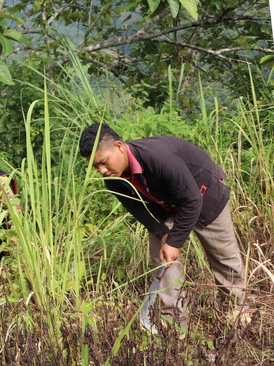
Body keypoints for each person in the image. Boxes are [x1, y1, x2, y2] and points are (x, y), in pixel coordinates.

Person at [78, 123, 246, 328]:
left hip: (203, 195)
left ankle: (237, 316)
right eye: (96, 167)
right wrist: (163, 232)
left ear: (119, 146)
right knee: (163, 260)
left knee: (225, 259)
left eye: (103, 162)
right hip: (165, 207)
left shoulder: (158, 157)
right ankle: (175, 324)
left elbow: (192, 200)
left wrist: (175, 241)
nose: (102, 171)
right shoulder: (113, 180)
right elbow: (140, 211)